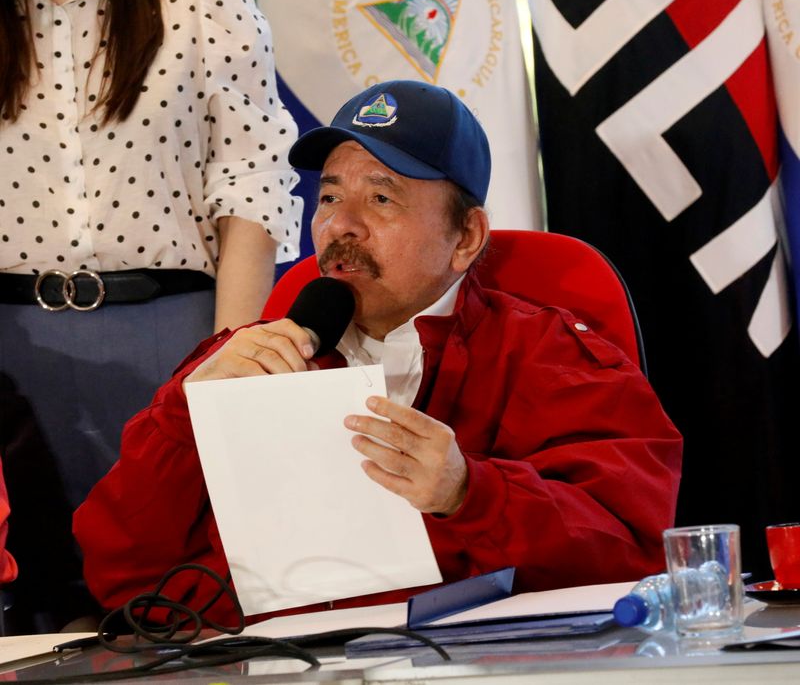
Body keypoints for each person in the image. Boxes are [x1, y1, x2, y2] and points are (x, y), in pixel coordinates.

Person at [74, 80, 683, 626]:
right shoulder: (241, 364)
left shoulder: (548, 355)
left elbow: (630, 555)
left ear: (466, 237)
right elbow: (121, 576)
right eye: (331, 198)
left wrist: (470, 492)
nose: (343, 226)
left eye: (382, 199)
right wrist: (184, 420)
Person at [0, 0, 301, 529]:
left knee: (182, 586)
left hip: (175, 338)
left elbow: (253, 174)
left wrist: (228, 362)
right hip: (11, 353)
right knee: (27, 602)